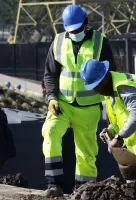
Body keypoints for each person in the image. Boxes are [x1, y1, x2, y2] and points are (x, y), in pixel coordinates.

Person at [42, 4, 117, 197]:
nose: (74, 33)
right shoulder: (58, 42)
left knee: (86, 152)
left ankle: (84, 191)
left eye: (77, 30)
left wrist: (112, 108)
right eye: (71, 31)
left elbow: (111, 75)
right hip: (62, 104)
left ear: (86, 24)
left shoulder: (101, 42)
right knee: (50, 131)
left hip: (89, 106)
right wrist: (51, 97)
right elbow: (50, 74)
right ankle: (54, 185)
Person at [80, 58, 136, 181]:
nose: (97, 90)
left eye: (98, 85)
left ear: (105, 77)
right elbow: (121, 119)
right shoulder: (111, 92)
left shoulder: (124, 87)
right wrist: (111, 131)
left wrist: (118, 137)